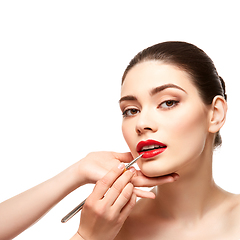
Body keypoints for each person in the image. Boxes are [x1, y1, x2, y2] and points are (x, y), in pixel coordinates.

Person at [72, 42, 240, 240]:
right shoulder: (107, 229)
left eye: (168, 102)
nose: (141, 124)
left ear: (215, 114)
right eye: (131, 110)